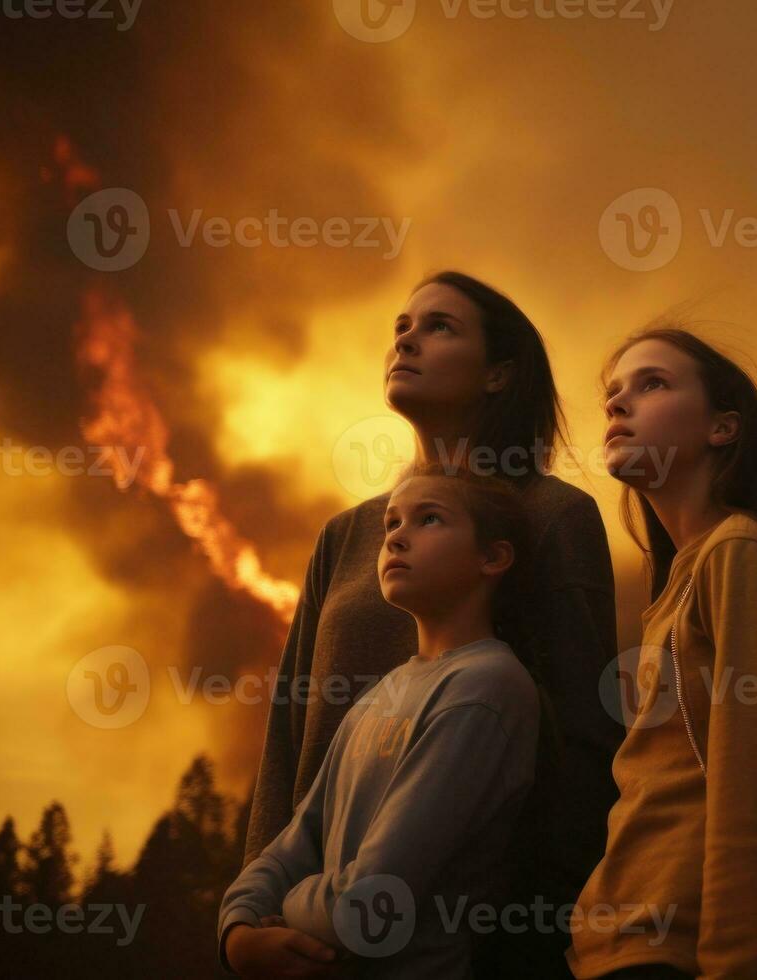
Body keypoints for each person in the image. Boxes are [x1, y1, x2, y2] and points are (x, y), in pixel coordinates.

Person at [241, 271, 621, 976]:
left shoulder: (552, 516)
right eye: (400, 327)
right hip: (297, 944)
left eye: (440, 326)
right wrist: (243, 933)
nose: (407, 338)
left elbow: (583, 750)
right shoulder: (349, 534)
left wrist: (532, 943)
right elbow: (289, 738)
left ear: (500, 374)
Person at [565, 324, 757, 979]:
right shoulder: (682, 581)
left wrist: (740, 967)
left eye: (652, 384)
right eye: (613, 394)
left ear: (723, 428)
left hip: (680, 953)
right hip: (622, 947)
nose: (618, 404)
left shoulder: (740, 552)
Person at [220, 466, 543, 977]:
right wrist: (239, 929)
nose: (397, 536)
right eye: (391, 524)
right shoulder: (376, 697)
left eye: (429, 519)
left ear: (492, 557)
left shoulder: (485, 689)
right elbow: (292, 844)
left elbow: (371, 900)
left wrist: (283, 911)